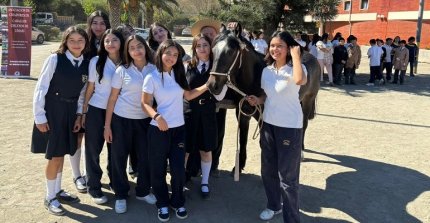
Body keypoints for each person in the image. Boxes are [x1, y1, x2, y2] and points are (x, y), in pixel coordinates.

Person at [142, 39, 209, 222]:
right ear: (160, 54)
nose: (171, 57)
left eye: (175, 54)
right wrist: (157, 117)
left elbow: (188, 95)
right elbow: (145, 104)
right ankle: (162, 203)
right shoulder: (152, 76)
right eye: (168, 53)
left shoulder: (179, 75)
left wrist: (207, 85)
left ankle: (177, 201)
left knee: (179, 169)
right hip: (158, 130)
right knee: (158, 169)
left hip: (179, 129)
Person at [246, 31, 307, 223]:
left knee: (287, 179)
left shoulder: (297, 68)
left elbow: (299, 81)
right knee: (268, 171)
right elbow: (268, 95)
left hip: (289, 127)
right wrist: (258, 99)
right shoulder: (267, 71)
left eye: (280, 45)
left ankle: (292, 219)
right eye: (272, 45)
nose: (275, 49)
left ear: (289, 48)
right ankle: (274, 205)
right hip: (268, 126)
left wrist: (296, 56)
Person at [31, 26, 90, 215]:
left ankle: (56, 190)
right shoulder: (55, 59)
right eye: (71, 40)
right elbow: (41, 87)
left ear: (85, 42)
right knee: (55, 155)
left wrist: (80, 115)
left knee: (63, 153)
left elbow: (82, 94)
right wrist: (39, 116)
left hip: (71, 111)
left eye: (80, 40)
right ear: (65, 41)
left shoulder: (85, 63)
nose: (76, 44)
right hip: (53, 111)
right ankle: (49, 197)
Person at [104, 35, 157, 214]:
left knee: (145, 157)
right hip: (121, 120)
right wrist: (107, 126)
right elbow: (112, 98)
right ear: (128, 51)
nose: (137, 50)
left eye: (139, 46)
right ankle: (121, 194)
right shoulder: (122, 70)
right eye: (132, 47)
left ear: (145, 47)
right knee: (119, 158)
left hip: (145, 121)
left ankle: (143, 191)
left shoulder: (155, 69)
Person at [67, 10, 110, 194]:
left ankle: (97, 173)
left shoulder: (112, 41)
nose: (98, 26)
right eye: (95, 23)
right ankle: (78, 175)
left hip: (102, 100)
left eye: (102, 23)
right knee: (79, 136)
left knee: (103, 140)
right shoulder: (83, 41)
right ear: (89, 24)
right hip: (80, 96)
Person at [82, 29, 124, 205]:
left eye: (114, 40)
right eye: (107, 41)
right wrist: (83, 112)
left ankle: (115, 181)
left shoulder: (127, 62)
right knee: (93, 150)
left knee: (116, 151)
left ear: (121, 42)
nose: (110, 44)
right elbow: (90, 89)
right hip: (97, 110)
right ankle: (94, 187)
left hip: (119, 112)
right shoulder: (96, 61)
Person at [184, 34, 226, 199]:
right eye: (198, 45)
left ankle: (205, 182)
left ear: (211, 48)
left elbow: (219, 97)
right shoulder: (187, 66)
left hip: (208, 114)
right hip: (189, 113)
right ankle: (180, 181)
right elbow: (187, 96)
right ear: (194, 48)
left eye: (205, 45)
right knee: (186, 151)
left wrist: (225, 84)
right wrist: (207, 85)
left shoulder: (217, 70)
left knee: (206, 150)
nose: (202, 49)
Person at [190, 18, 225, 177]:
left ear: (216, 36)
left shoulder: (221, 62)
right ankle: (192, 169)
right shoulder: (188, 64)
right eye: (205, 35)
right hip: (193, 108)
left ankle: (212, 167)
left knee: (212, 139)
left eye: (211, 35)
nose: (208, 37)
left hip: (214, 107)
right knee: (192, 140)